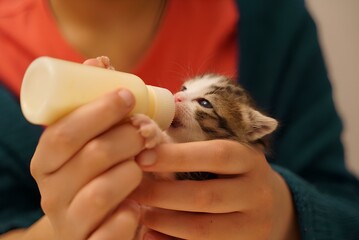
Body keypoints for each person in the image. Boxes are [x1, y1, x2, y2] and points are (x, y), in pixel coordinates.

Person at [0, 0, 358, 239]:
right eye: (185, 88)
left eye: (200, 101)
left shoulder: (272, 19)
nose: (178, 97)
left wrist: (288, 217)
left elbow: (345, 207)